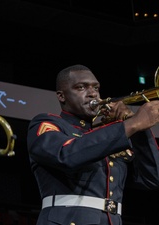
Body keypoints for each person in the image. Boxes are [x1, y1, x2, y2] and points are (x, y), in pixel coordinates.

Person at [27, 64, 159, 225]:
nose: (92, 94)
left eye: (96, 88)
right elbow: (66, 155)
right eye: (81, 87)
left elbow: (153, 179)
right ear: (62, 96)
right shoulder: (47, 123)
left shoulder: (112, 134)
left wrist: (139, 130)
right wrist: (131, 125)